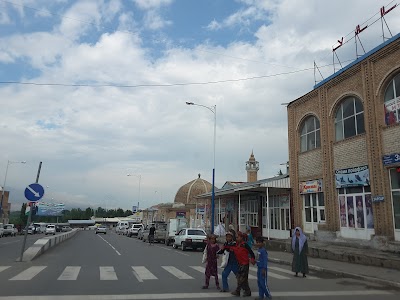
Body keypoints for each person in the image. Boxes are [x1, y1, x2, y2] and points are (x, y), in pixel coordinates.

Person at [230, 231, 255, 297]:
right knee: (242, 279)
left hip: (245, 264)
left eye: (238, 237)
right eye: (236, 237)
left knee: (241, 278)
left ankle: (238, 291)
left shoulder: (245, 245)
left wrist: (252, 259)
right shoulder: (235, 244)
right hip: (239, 264)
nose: (236, 238)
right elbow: (228, 248)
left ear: (241, 238)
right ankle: (247, 291)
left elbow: (251, 253)